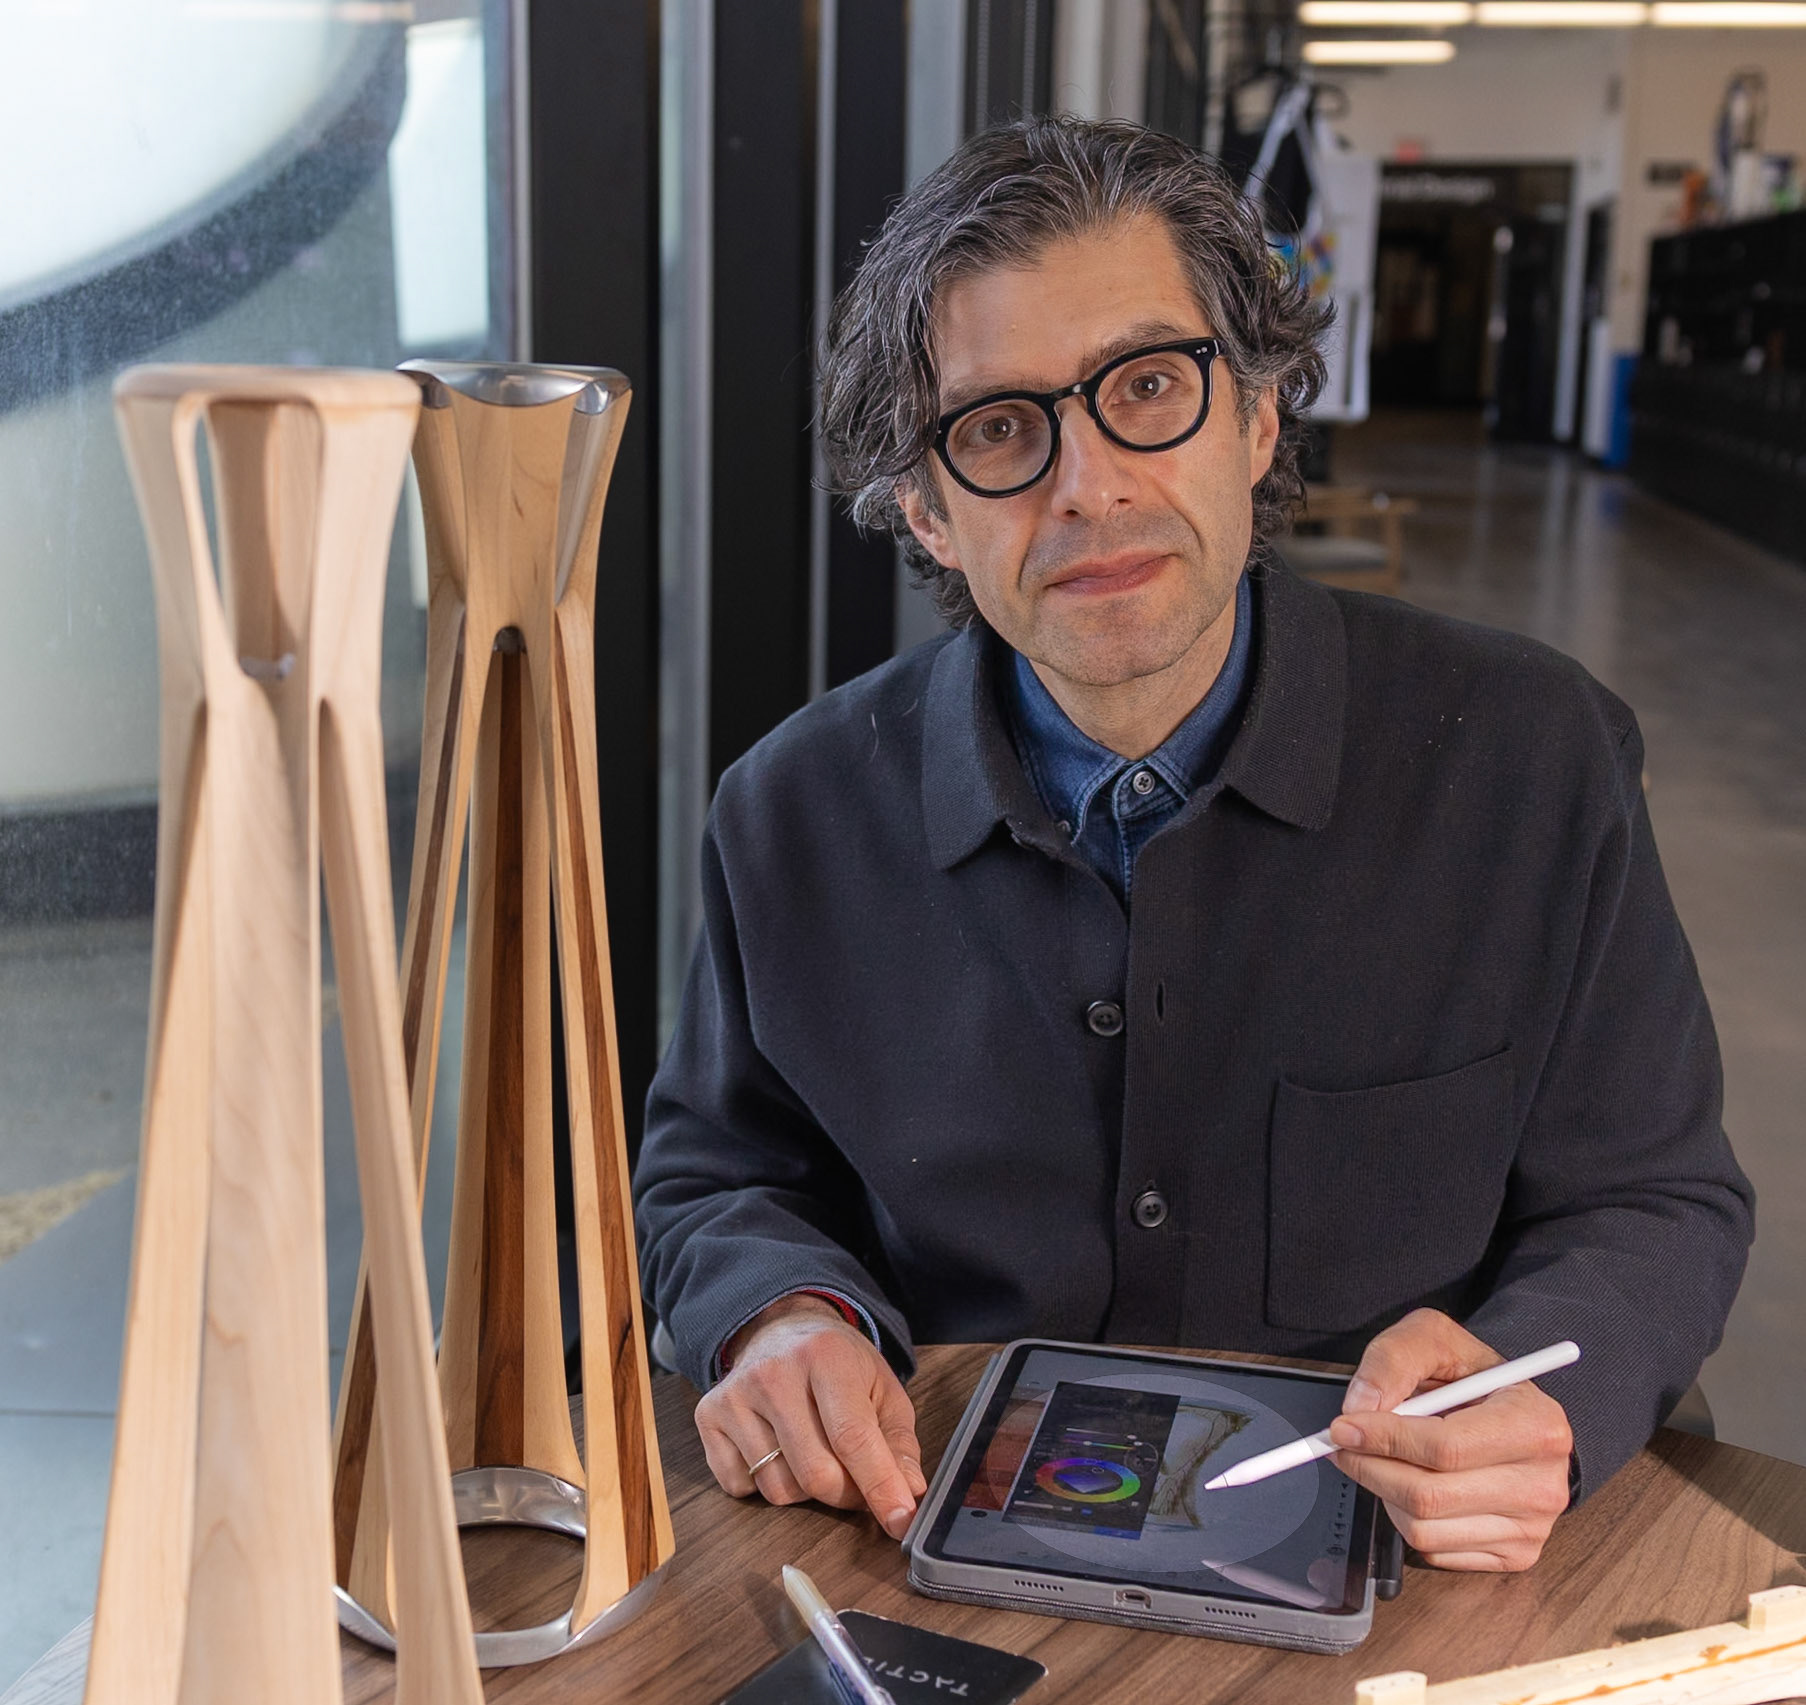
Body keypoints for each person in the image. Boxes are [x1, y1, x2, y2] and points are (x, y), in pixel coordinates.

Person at [633, 117, 1753, 1574]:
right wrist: (783, 1310)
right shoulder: (786, 815)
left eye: (1148, 386)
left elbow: (1655, 1194)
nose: (1086, 483)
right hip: (936, 1546)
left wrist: (1539, 1385)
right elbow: (717, 1170)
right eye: (996, 429)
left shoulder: (1533, 762)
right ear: (924, 507)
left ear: (1258, 418)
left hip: (1410, 1558)